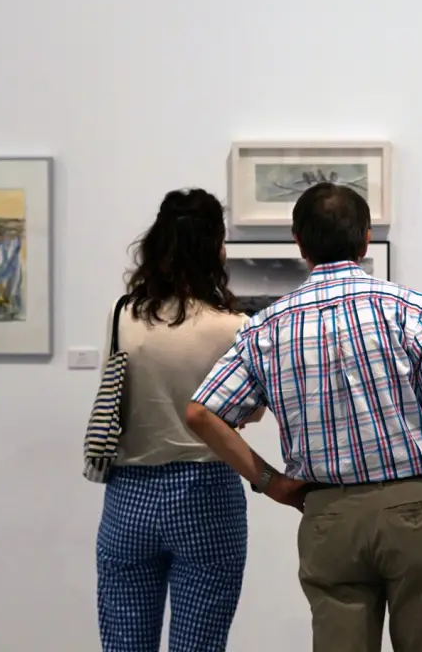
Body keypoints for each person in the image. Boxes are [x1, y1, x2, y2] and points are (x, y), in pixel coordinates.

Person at [184, 182, 422, 652]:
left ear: (300, 243)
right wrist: (398, 425)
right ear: (365, 239)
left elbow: (201, 413)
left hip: (328, 513)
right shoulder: (407, 308)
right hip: (415, 506)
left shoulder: (266, 327)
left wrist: (272, 483)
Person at [95, 188, 261, 652]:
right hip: (207, 493)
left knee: (125, 644)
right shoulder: (235, 327)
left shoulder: (122, 314)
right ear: (216, 248)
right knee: (200, 645)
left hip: (129, 496)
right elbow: (251, 411)